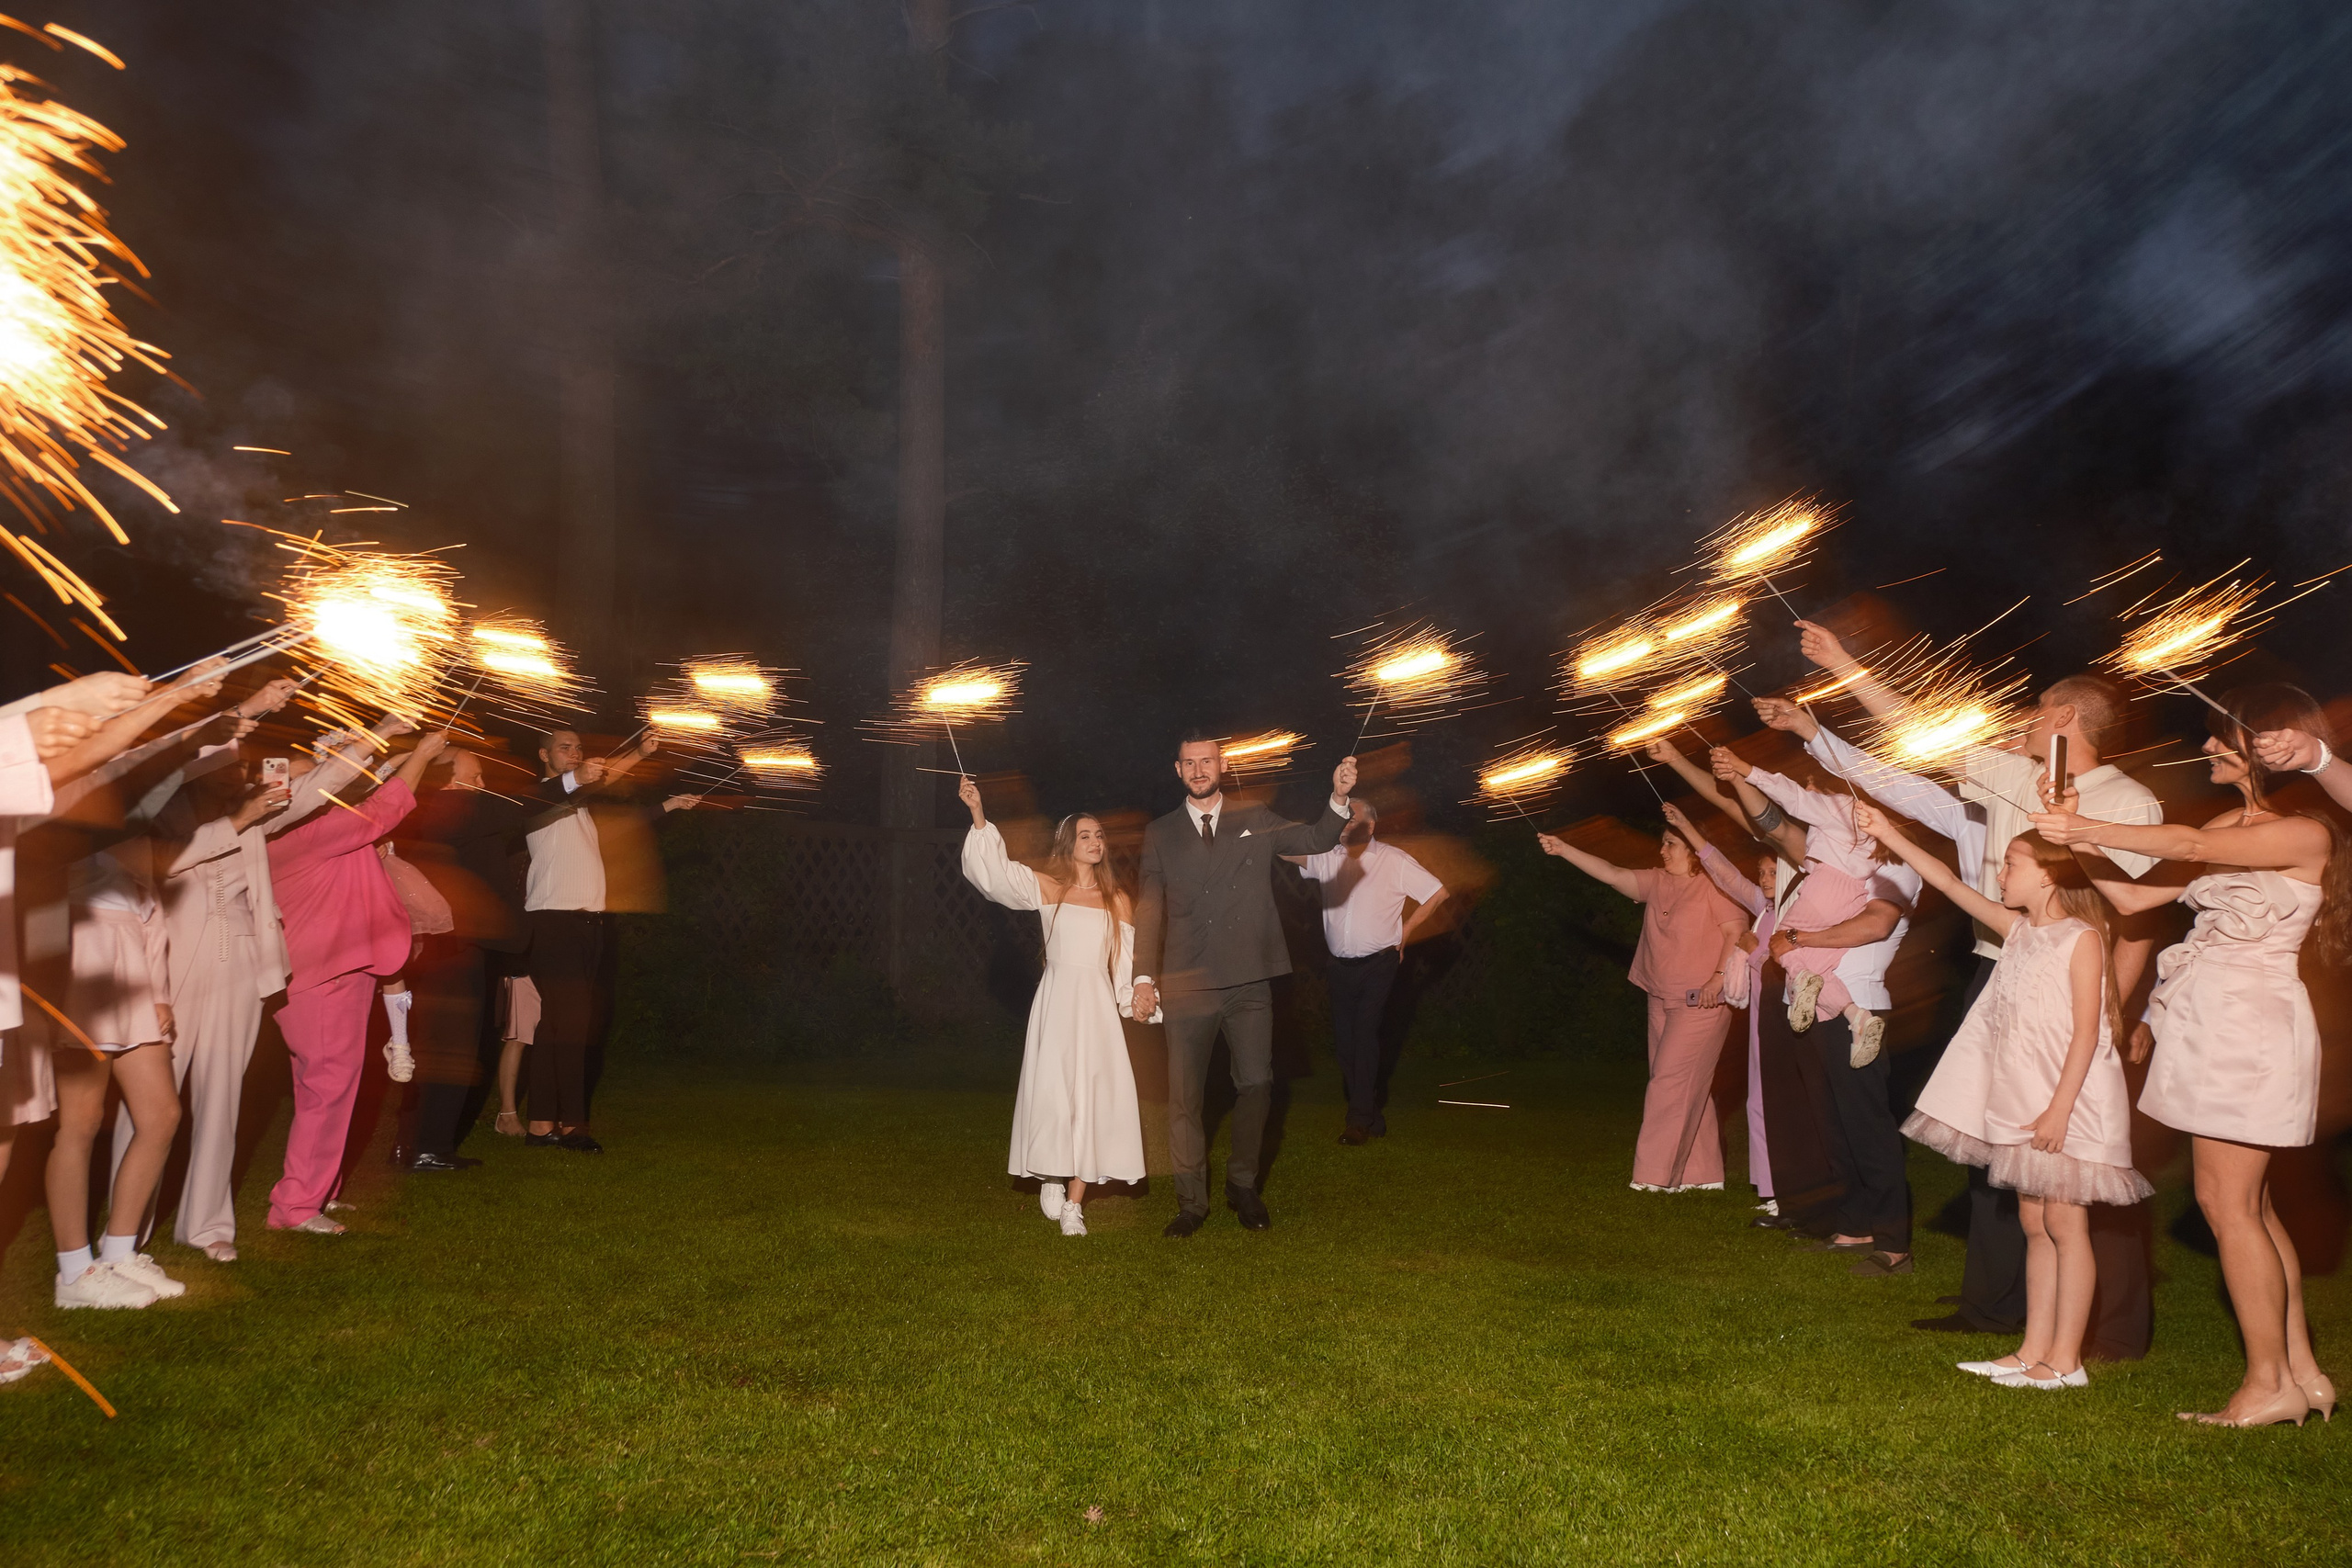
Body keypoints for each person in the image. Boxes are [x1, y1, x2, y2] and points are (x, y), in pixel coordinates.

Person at [1792, 628, 2161, 1337]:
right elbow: (1921, 732)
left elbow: (2139, 920)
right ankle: (1996, 1308)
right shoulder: (2017, 777)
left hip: (2077, 982)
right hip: (2000, 967)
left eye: (2037, 708)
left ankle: (2108, 1327)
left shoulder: (2128, 799)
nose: (2026, 717)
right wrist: (1844, 664)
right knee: (1997, 1143)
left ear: (2065, 716)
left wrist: (2113, 1011)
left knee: (2082, 1157)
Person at [2032, 684, 2345, 1427]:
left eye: (2219, 736)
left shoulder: (2305, 831)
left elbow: (2191, 849)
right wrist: (2076, 838)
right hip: (2213, 1020)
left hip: (2250, 1026)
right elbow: (2134, 900)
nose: (2205, 747)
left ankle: (2267, 1383)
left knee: (2225, 1203)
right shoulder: (2229, 821)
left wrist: (2086, 820)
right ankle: (2302, 1373)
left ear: (2264, 746)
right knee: (2252, 1206)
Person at [1858, 803, 2150, 1389]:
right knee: (2035, 1221)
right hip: (2023, 1094)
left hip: (2067, 1099)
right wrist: (1887, 830)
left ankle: (2066, 1361)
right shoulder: (2018, 932)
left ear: (2048, 874)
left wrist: (2059, 1110)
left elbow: (2088, 1033)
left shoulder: (2081, 938)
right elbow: (1946, 881)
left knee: (2066, 1224)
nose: (2001, 873)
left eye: (2012, 863)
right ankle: (2032, 1350)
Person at [1131, 732, 1356, 1235]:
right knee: (1184, 1097)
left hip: (1249, 980)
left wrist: (1338, 798)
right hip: (1187, 983)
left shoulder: (1254, 816)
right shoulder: (1161, 832)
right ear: (1177, 770)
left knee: (1257, 1083)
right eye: (1189, 763)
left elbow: (1314, 839)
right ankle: (1191, 1204)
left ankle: (1242, 1184)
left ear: (1223, 766)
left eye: (1207, 761)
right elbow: (1149, 908)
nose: (1198, 770)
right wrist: (1143, 976)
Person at [265, 728, 449, 1233]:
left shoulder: (316, 827)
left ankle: (319, 1192)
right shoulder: (302, 834)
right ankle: (296, 1207)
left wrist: (399, 745)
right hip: (320, 977)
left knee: (328, 1087)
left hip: (338, 971)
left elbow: (371, 787)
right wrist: (424, 755)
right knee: (326, 1088)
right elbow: (382, 809)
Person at [957, 777, 1153, 1235]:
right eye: (1085, 836)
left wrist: (1137, 1002)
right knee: (1053, 1094)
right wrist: (978, 813)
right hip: (1057, 1004)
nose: (1095, 842)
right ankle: (1050, 1172)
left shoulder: (1118, 900)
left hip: (1096, 1010)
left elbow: (1125, 966)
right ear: (1069, 845)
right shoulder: (1049, 889)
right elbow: (996, 875)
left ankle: (1074, 1205)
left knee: (1093, 1099)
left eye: (1099, 835)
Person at [1536, 815, 1746, 1192]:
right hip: (1660, 994)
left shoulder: (1717, 885)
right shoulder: (1659, 881)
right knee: (1681, 1081)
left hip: (1702, 1002)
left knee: (1669, 1082)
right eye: (1663, 842)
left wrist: (1717, 978)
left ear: (1694, 849)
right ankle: (1701, 1175)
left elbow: (1737, 932)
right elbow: (1613, 874)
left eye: (1670, 844)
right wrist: (1564, 849)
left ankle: (1654, 1178)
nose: (1662, 850)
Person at [520, 728, 673, 1153]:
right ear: (544, 755)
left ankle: (540, 1125)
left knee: (556, 1026)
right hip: (555, 922)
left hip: (587, 925)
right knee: (571, 1026)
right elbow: (586, 780)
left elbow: (604, 777)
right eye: (564, 747)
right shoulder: (538, 797)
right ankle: (573, 1126)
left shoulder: (579, 803)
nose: (575, 752)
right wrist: (589, 773)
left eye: (578, 747)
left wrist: (639, 751)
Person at [390, 746, 529, 1171]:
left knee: (432, 1044)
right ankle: (430, 1146)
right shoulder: (451, 808)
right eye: (476, 776)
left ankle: (411, 1143)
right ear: (449, 782)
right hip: (451, 946)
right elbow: (524, 806)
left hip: (435, 944)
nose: (483, 785)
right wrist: (572, 782)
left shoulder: (426, 810)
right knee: (452, 1048)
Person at [1283, 801, 1448, 1145]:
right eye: (1343, 819)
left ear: (1371, 826)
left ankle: (1357, 1121)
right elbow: (1288, 852)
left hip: (1379, 963)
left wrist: (1406, 932)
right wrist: (1259, 830)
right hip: (1339, 967)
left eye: (1352, 819)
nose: (1345, 824)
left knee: (1364, 1034)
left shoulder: (1393, 860)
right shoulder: (1329, 857)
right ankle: (1372, 1114)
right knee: (1345, 1044)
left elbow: (1437, 893)